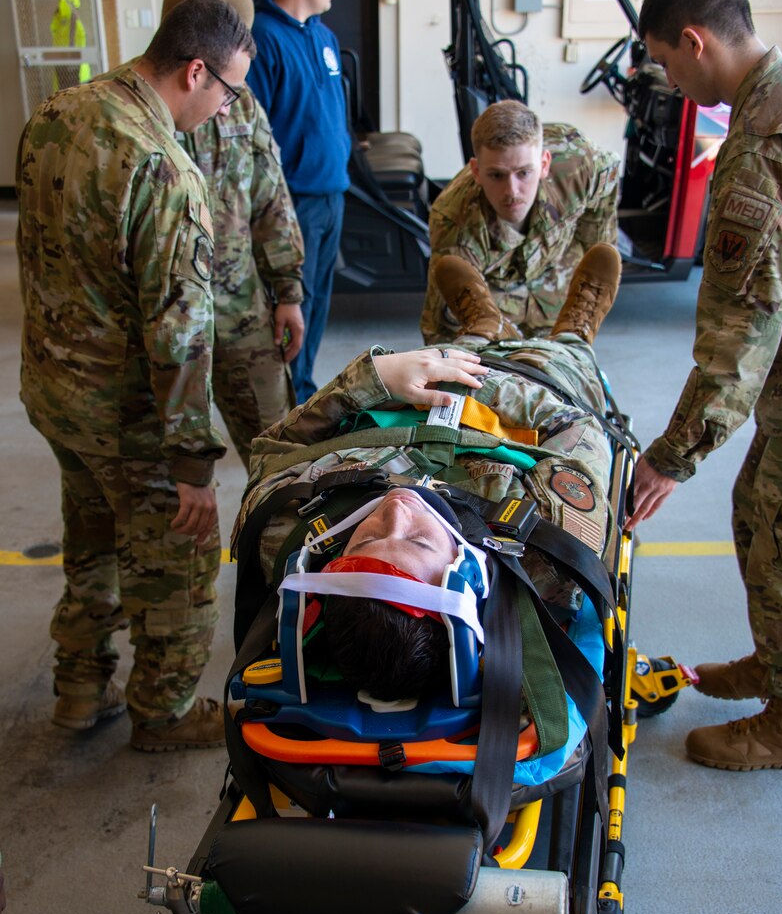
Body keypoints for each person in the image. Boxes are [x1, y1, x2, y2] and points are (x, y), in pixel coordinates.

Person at [17, 0, 255, 751]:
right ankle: (166, 711)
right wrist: (191, 465)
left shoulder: (57, 113)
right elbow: (179, 334)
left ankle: (81, 687)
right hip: (124, 412)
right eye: (226, 91)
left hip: (53, 391)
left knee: (91, 540)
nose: (224, 110)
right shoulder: (163, 169)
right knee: (180, 561)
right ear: (195, 71)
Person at [233, 242, 622, 699]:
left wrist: (374, 377)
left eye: (370, 538)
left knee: (471, 341)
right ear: (464, 578)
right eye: (418, 540)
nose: (397, 509)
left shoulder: (281, 533)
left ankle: (483, 323)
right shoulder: (549, 554)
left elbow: (272, 449)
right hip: (533, 390)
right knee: (562, 355)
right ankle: (576, 328)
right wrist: (477, 387)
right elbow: (574, 428)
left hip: (413, 383)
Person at [628, 0, 782, 771]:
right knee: (756, 510)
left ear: (695, 41)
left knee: (781, 532)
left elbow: (739, 339)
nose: (666, 78)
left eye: (664, 61)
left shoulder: (759, 151)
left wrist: (670, 458)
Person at [161, 0, 306, 468]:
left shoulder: (241, 105)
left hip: (241, 309)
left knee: (282, 453)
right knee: (172, 479)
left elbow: (270, 197)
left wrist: (287, 291)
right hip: (163, 332)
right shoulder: (141, 112)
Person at [247, 0, 353, 403]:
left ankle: (303, 389)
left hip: (332, 193)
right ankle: (286, 403)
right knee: (293, 307)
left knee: (320, 301)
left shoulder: (325, 36)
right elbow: (255, 136)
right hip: (294, 202)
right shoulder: (262, 40)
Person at [419, 100, 620, 346]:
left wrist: (586, 259)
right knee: (486, 353)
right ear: (476, 172)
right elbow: (443, 323)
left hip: (556, 285)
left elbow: (601, 221)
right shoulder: (454, 221)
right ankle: (499, 335)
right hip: (495, 307)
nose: (511, 191)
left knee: (568, 365)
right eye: (497, 175)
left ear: (544, 164)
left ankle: (572, 341)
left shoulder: (579, 166)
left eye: (524, 173)